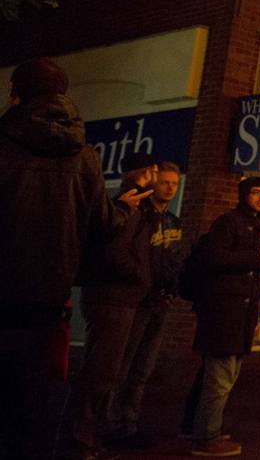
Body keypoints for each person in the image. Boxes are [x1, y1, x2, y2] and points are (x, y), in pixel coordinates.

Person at [0, 58, 141, 459]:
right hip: (46, 299)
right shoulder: (84, 157)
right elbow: (101, 225)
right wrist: (124, 208)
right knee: (30, 405)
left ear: (15, 93)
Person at [61, 153, 160, 458]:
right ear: (145, 172)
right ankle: (78, 442)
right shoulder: (128, 203)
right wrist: (141, 276)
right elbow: (115, 252)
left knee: (108, 372)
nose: (158, 176)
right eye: (154, 171)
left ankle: (91, 439)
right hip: (113, 298)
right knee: (100, 372)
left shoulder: (137, 206)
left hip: (121, 298)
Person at [187, 177, 260, 456]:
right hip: (224, 313)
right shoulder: (228, 222)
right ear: (243, 195)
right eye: (255, 192)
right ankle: (206, 437)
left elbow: (247, 268)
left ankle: (200, 427)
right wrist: (256, 256)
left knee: (222, 375)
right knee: (220, 376)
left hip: (240, 314)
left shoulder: (255, 225)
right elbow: (215, 259)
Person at [107, 160, 184, 448]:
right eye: (164, 182)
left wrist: (173, 287)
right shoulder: (143, 215)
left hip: (161, 302)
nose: (169, 188)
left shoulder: (173, 221)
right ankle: (112, 424)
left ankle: (129, 423)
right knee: (124, 365)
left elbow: (174, 258)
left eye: (174, 184)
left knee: (143, 368)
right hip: (139, 300)